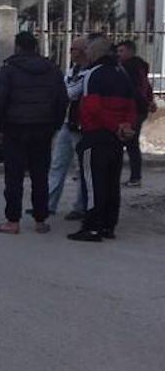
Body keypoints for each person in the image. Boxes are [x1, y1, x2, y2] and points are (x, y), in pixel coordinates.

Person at [0, 32, 68, 235]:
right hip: (43, 128)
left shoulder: (8, 70)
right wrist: (55, 125)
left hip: (15, 128)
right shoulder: (52, 69)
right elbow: (62, 100)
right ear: (36, 47)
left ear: (17, 47)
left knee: (14, 177)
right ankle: (40, 220)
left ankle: (13, 221)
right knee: (40, 175)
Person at [69, 35, 137, 242]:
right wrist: (126, 127)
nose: (85, 53)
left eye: (88, 50)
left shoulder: (94, 74)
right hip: (117, 138)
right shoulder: (122, 73)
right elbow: (132, 103)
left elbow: (92, 107)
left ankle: (92, 226)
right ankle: (109, 225)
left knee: (92, 183)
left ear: (95, 53)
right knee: (111, 182)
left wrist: (115, 126)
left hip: (96, 135)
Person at [49, 38, 90, 219]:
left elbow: (70, 93)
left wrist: (62, 93)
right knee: (57, 165)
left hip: (80, 126)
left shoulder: (88, 73)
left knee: (81, 169)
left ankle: (80, 207)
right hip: (67, 123)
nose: (71, 52)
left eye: (74, 49)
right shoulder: (72, 71)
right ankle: (49, 205)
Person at [117, 40, 156, 187]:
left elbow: (136, 89)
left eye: (122, 51)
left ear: (131, 51)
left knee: (130, 144)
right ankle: (134, 176)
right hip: (140, 108)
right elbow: (146, 86)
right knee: (131, 144)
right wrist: (149, 101)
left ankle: (135, 177)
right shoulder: (140, 66)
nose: (119, 54)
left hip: (134, 109)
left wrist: (145, 102)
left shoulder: (129, 68)